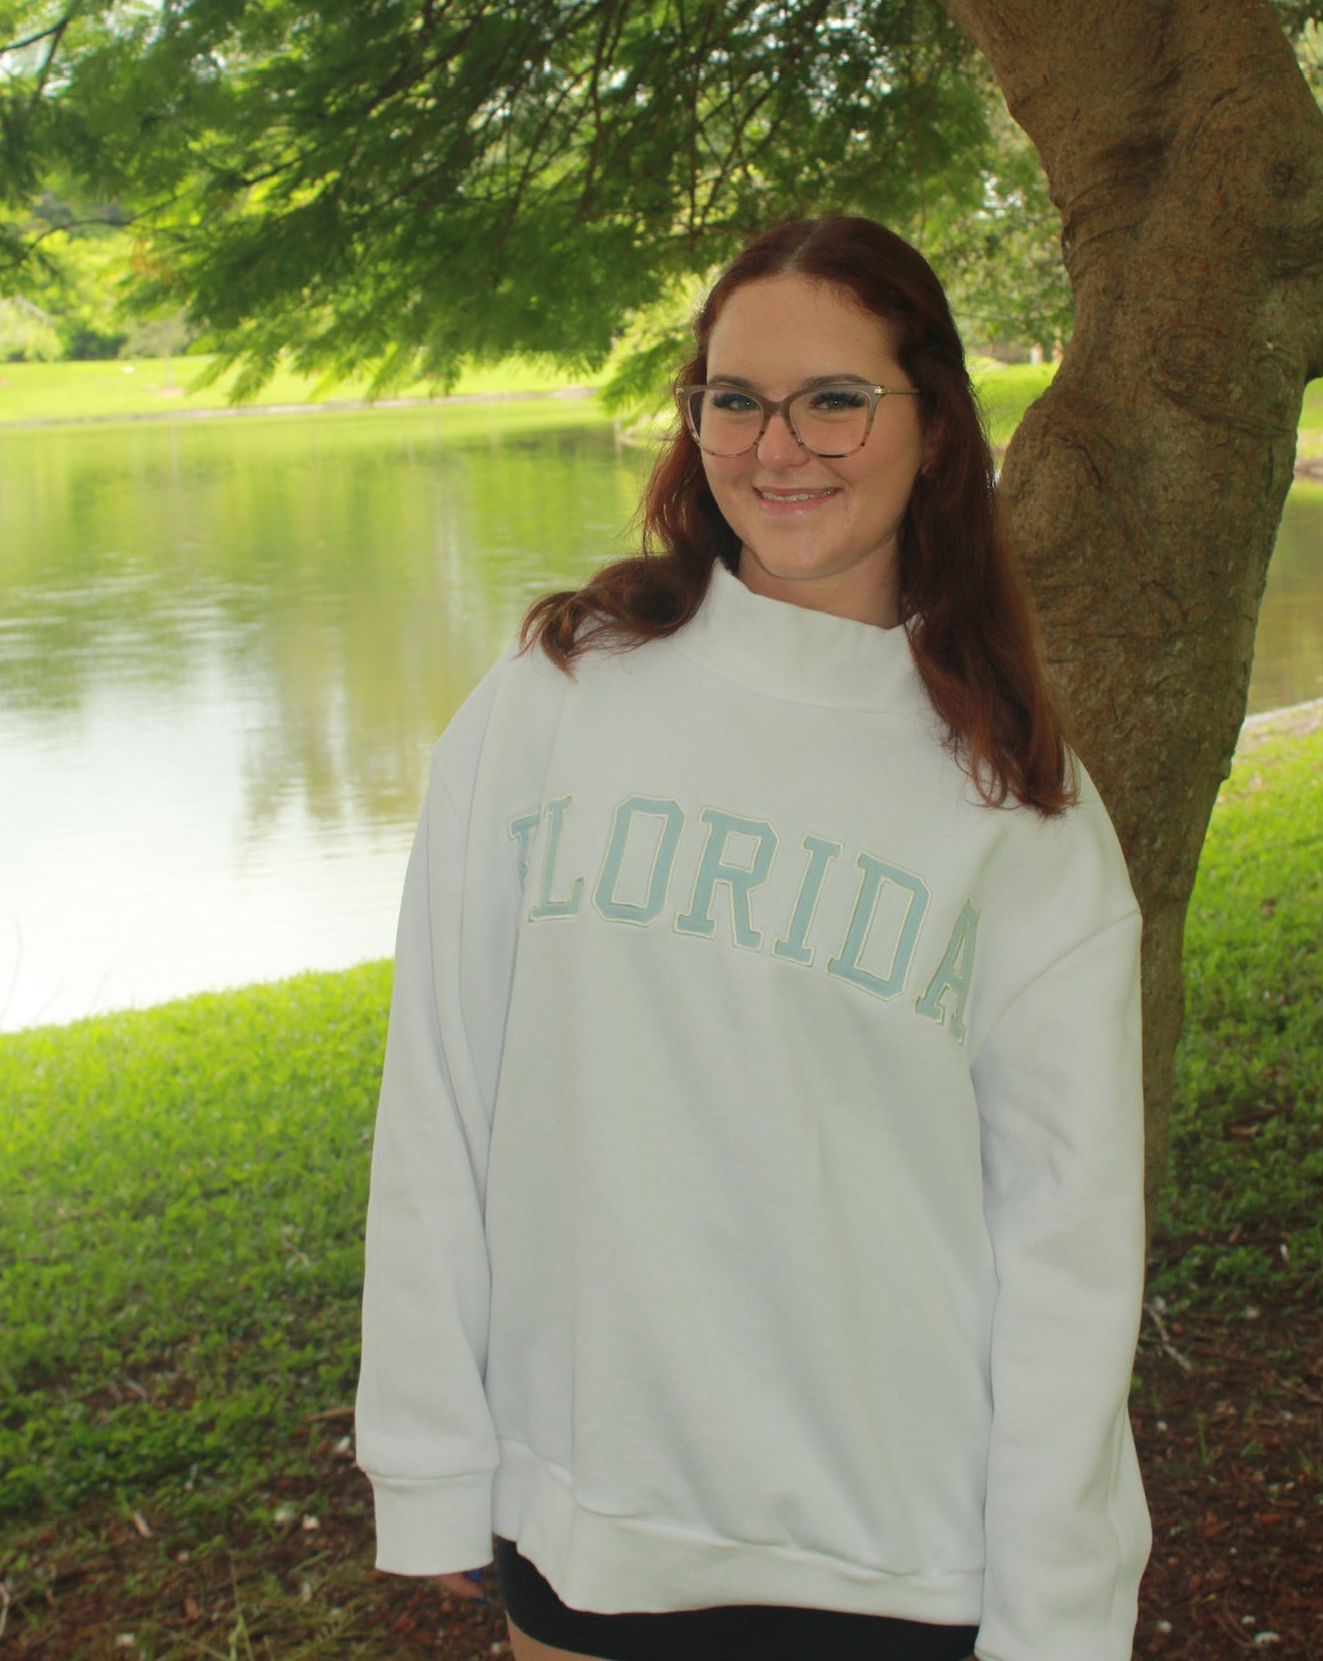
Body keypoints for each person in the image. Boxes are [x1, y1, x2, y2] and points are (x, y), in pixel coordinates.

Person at [355, 213, 1152, 1661]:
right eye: (731, 397)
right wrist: (430, 1465)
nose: (774, 446)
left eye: (835, 398)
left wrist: (1058, 1615)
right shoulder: (559, 700)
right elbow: (441, 1112)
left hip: (898, 1562)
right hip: (590, 1532)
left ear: (935, 428)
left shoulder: (1016, 808)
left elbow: (1066, 1248)